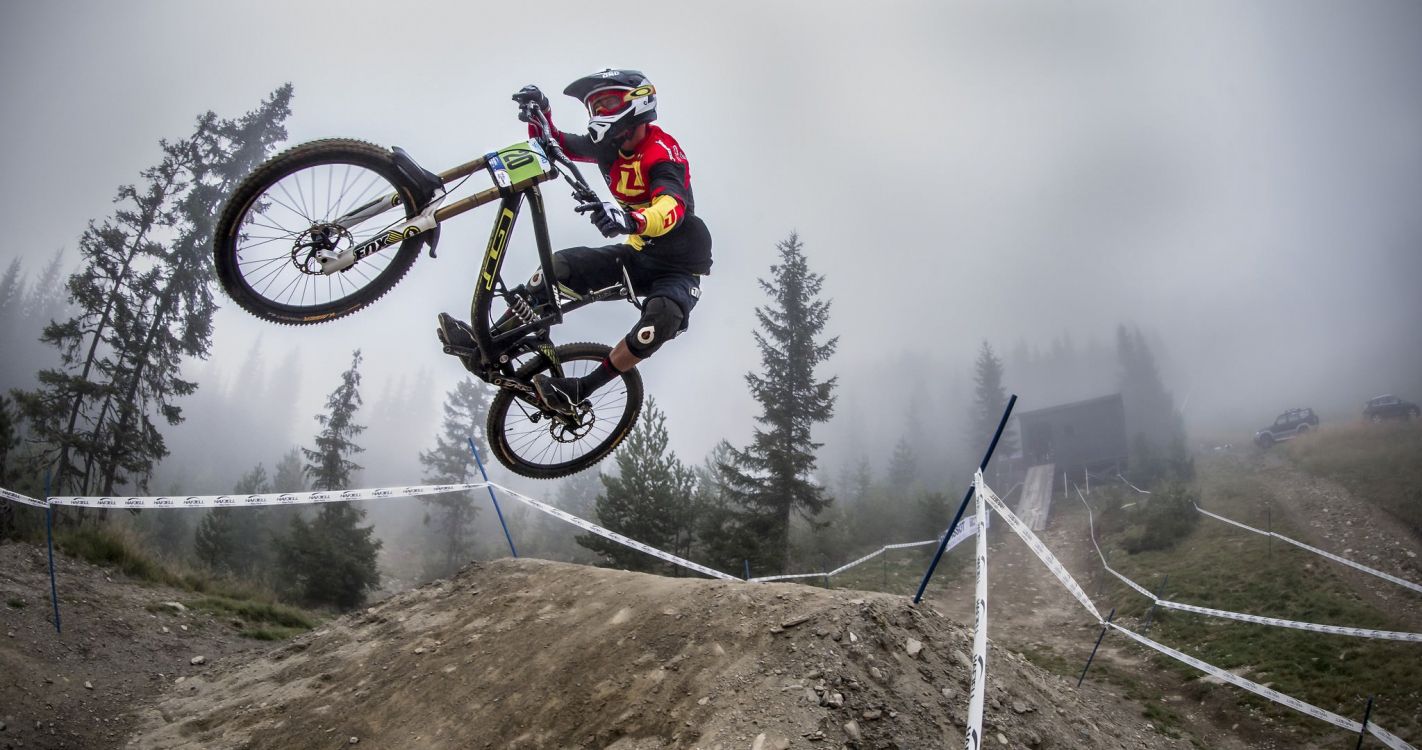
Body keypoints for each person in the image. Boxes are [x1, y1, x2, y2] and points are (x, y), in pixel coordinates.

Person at [439, 69, 712, 415]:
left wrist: (631, 220)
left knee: (659, 321)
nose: (598, 115)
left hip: (680, 266)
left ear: (638, 102)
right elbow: (553, 144)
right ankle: (488, 344)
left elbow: (672, 204)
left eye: (607, 103)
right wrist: (540, 112)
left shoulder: (661, 150)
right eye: (593, 108)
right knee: (556, 269)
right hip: (638, 254)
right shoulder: (607, 148)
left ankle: (580, 390)